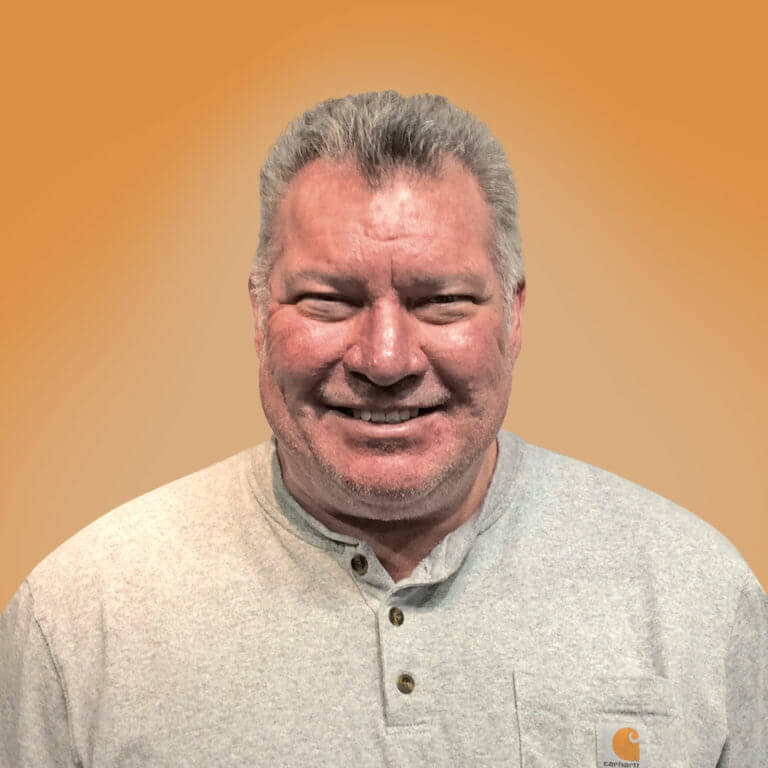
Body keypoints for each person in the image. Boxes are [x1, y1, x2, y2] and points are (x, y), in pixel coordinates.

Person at [0, 91, 765, 768]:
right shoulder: (78, 621)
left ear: (514, 316)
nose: (386, 359)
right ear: (259, 316)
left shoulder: (696, 595)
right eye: (329, 300)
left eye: (441, 301)